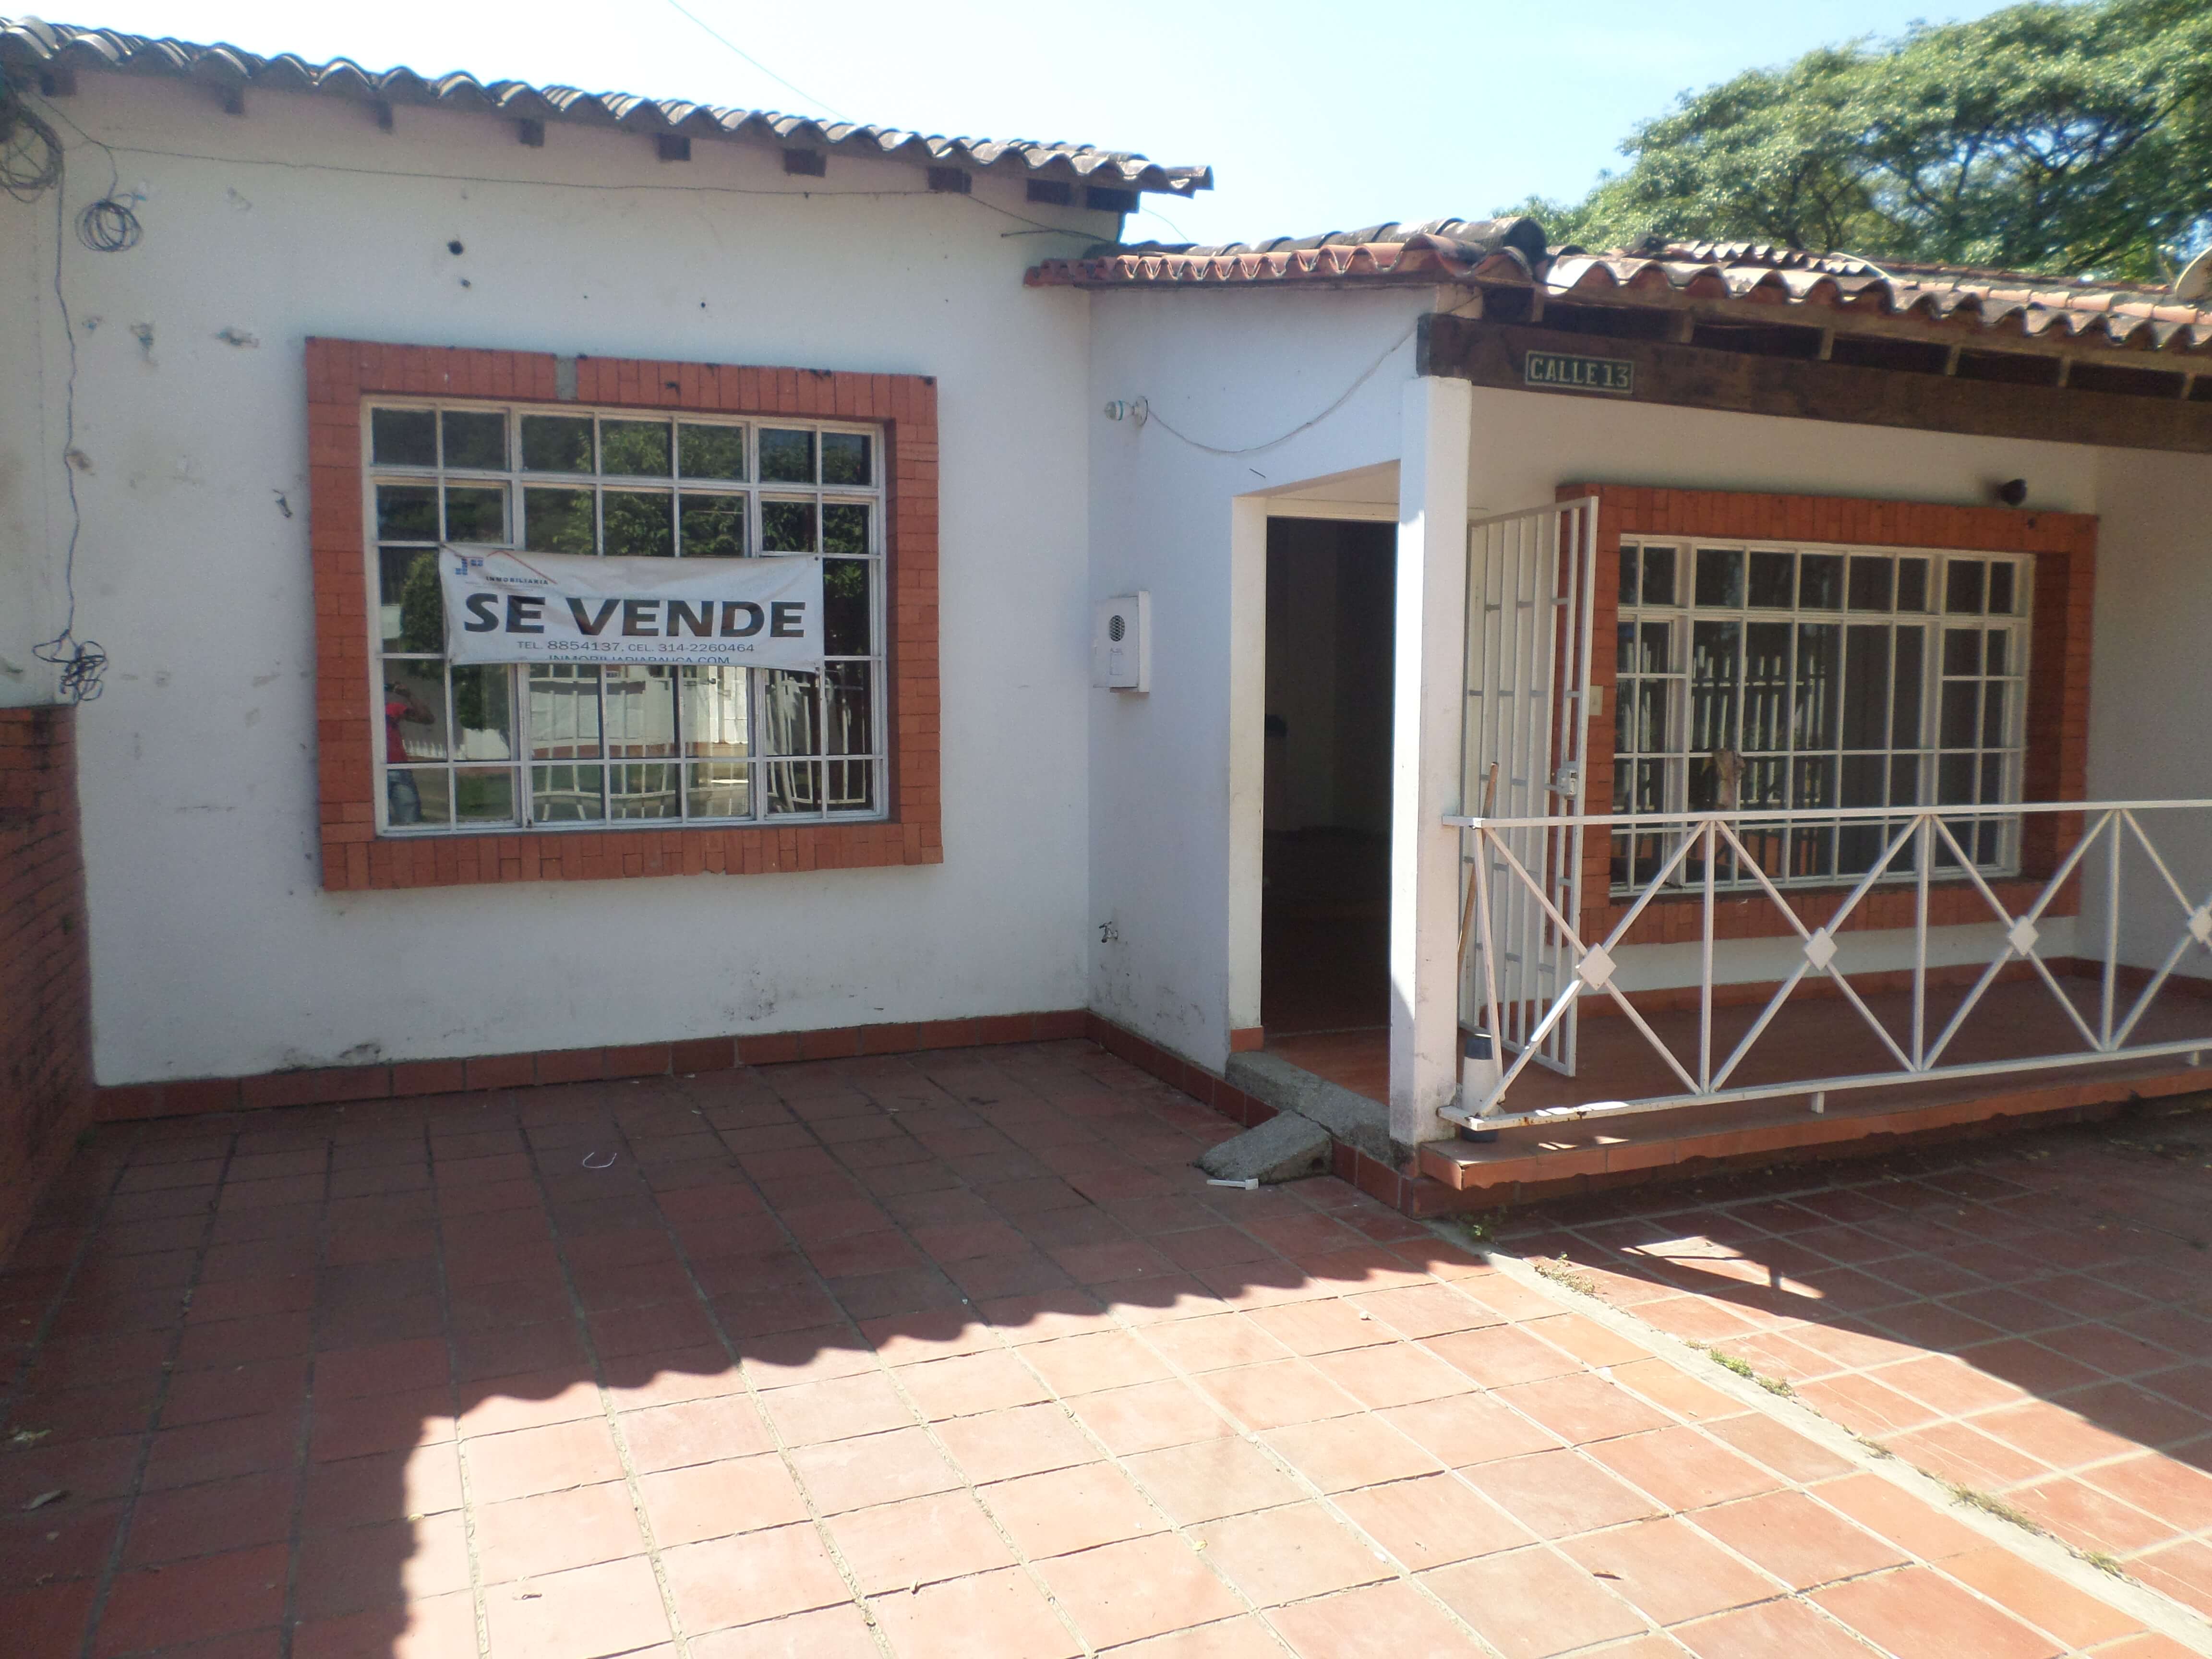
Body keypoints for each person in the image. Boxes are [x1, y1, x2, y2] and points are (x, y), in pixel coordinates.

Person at [385, 681, 436, 824]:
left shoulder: (391, 709)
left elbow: (427, 718)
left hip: (397, 769)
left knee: (411, 821)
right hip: (371, 770)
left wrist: (409, 695)